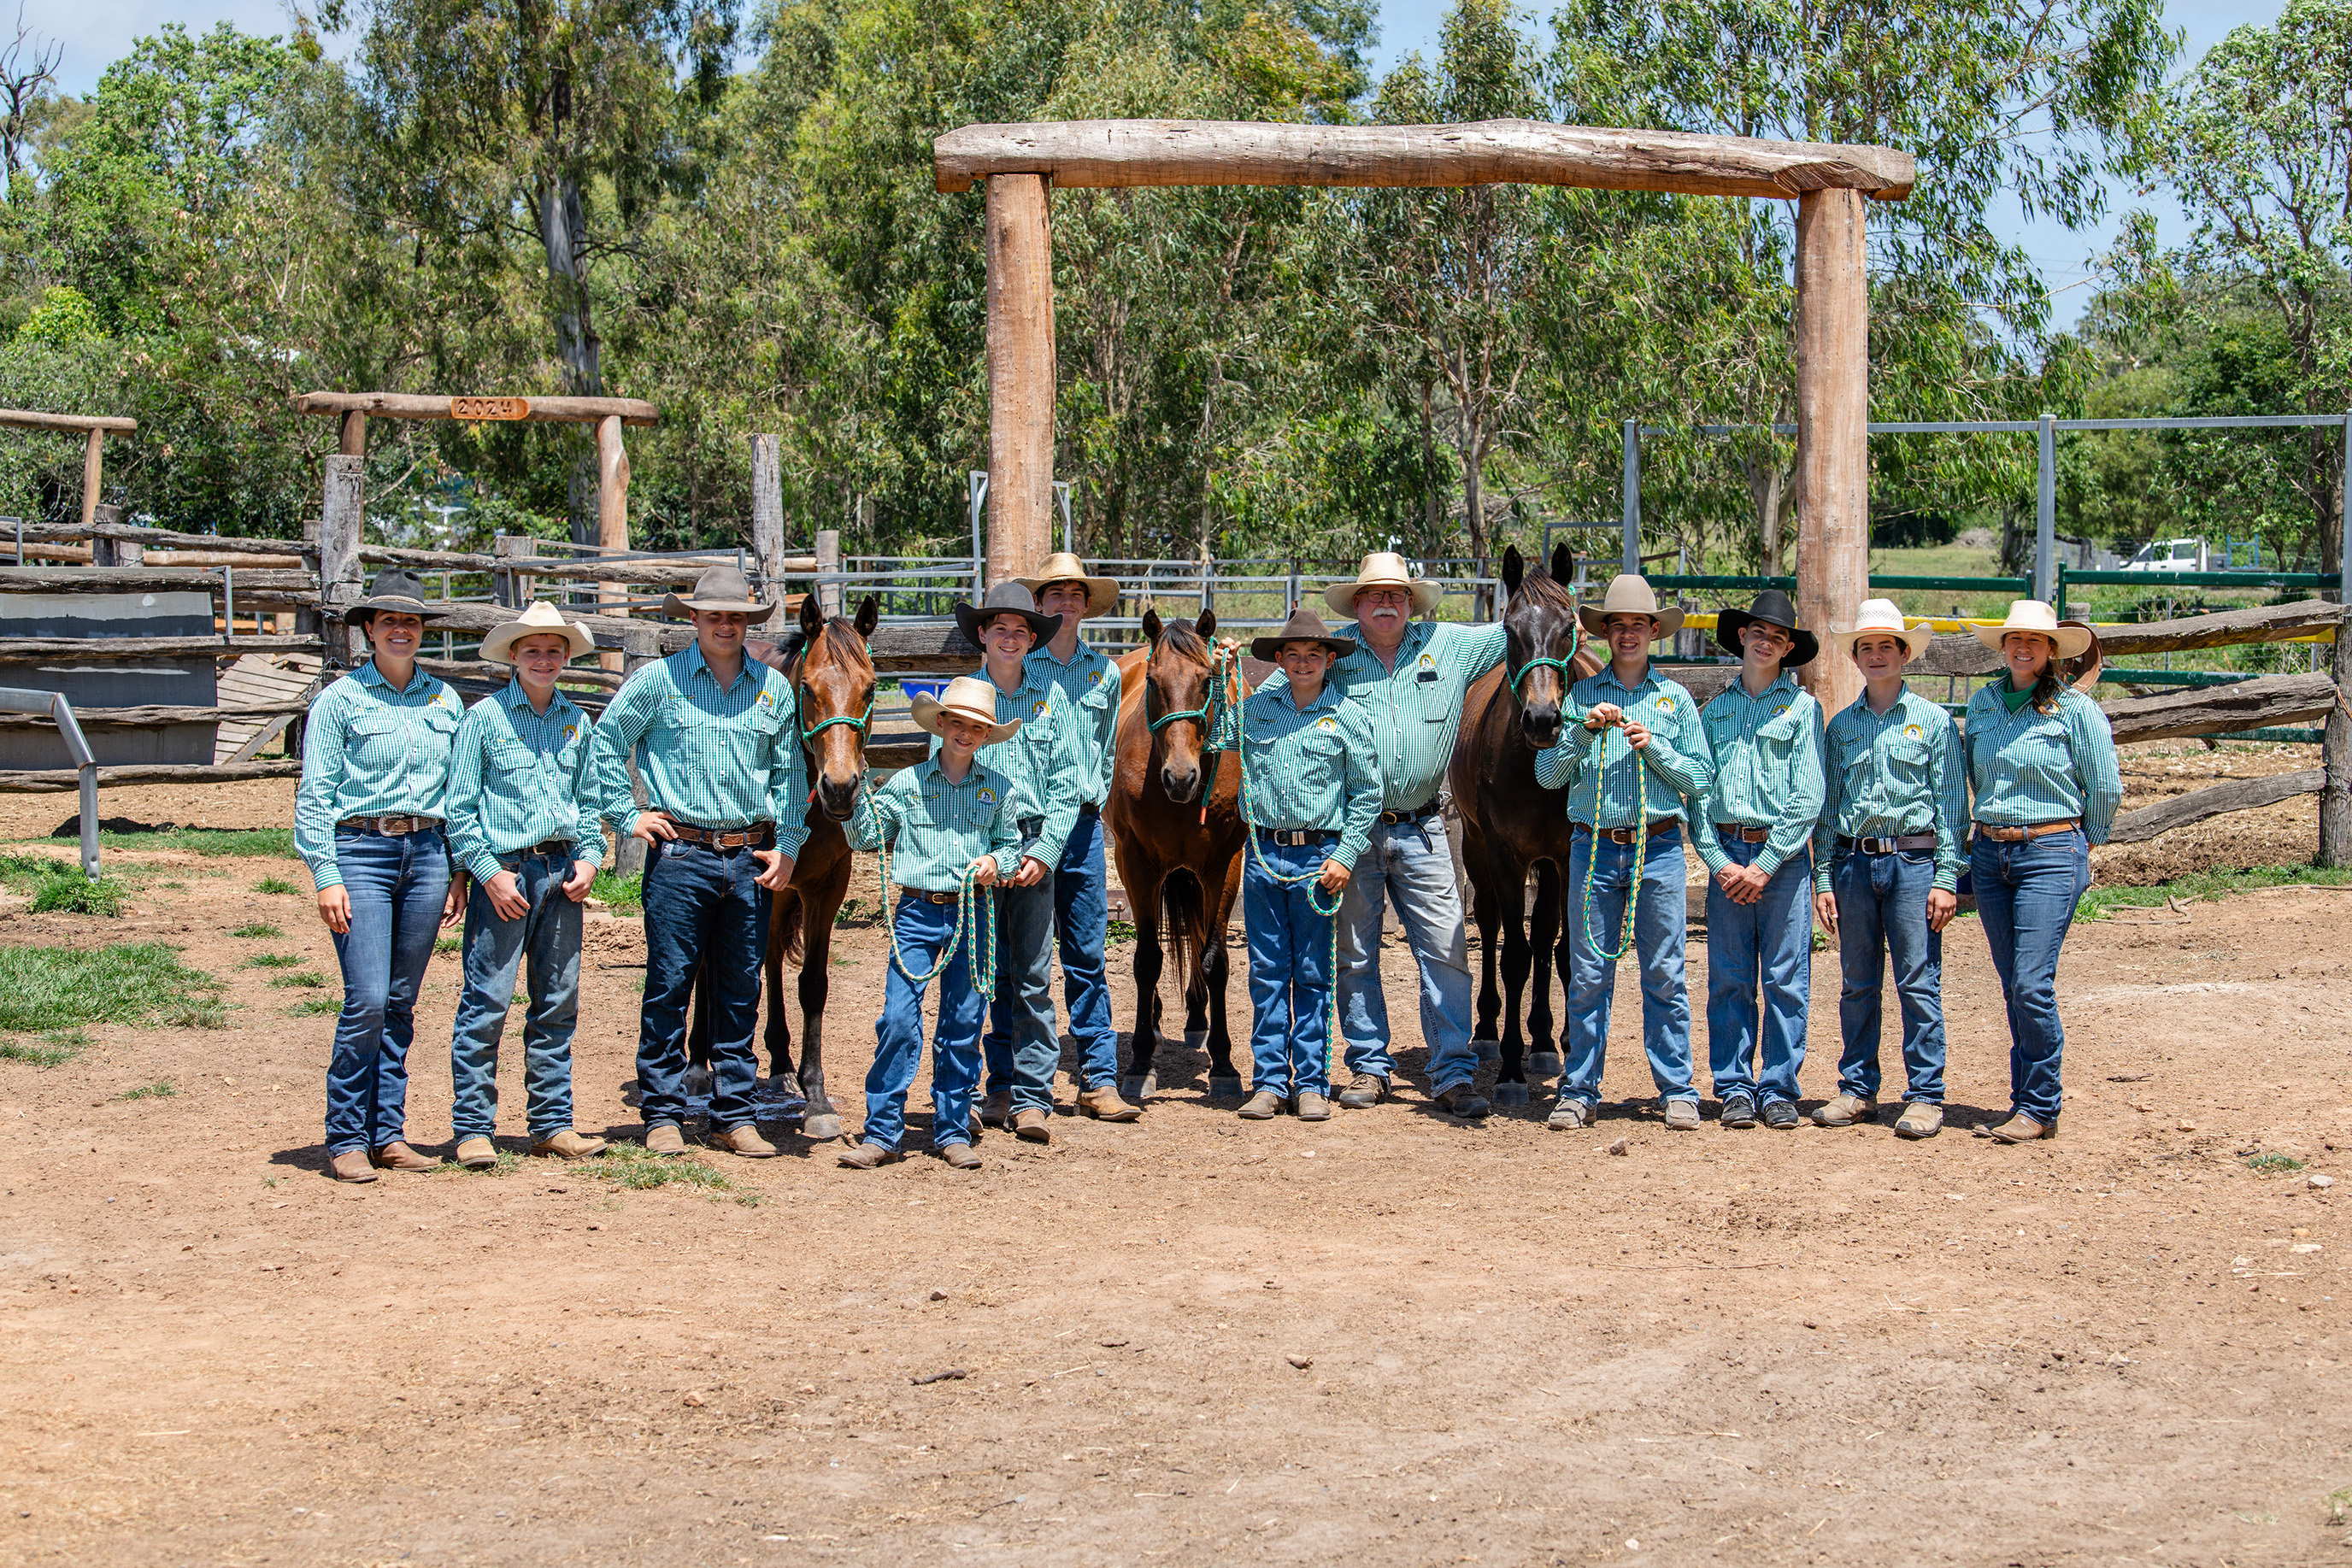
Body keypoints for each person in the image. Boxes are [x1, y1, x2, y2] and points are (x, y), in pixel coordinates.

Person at [591, 566, 807, 1160]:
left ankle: (733, 1114)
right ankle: (663, 1112)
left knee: (740, 989)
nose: (726, 625)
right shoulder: (658, 682)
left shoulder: (772, 689)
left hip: (749, 855)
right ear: (693, 619)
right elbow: (604, 741)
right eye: (714, 615)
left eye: (736, 616)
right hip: (681, 854)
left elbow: (791, 773)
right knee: (670, 983)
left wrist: (789, 845)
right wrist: (626, 813)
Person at [294, 571, 465, 1183]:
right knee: (366, 996)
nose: (401, 630)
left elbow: (459, 792)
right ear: (368, 629)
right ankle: (346, 1135)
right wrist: (325, 873)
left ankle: (386, 1132)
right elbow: (315, 793)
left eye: (411, 621)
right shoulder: (339, 700)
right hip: (360, 850)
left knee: (400, 1000)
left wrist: (458, 870)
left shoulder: (444, 701)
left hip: (428, 852)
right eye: (389, 620)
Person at [1322, 552, 1503, 1119]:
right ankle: (1369, 1065)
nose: (1386, 603)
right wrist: (1225, 664)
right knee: (1355, 951)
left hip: (1423, 824)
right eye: (1375, 595)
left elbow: (1524, 631)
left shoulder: (1450, 645)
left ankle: (1453, 1070)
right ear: (1357, 603)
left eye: (1397, 595)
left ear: (1411, 602)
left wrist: (1568, 615)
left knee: (1447, 947)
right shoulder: (1332, 651)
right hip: (1354, 830)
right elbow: (1279, 688)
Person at [1534, 574, 1715, 1132]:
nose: (1629, 634)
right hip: (1593, 846)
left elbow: (1701, 778)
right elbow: (1547, 776)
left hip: (1657, 848)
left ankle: (1677, 1088)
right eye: (1619, 625)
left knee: (1665, 972)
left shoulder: (1675, 700)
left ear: (1654, 631)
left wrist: (1654, 748)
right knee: (1589, 973)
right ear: (1606, 633)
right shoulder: (1579, 698)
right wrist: (1582, 735)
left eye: (1639, 625)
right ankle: (1579, 1089)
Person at [442, 601, 610, 1168]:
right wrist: (487, 873)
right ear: (513, 656)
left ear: (566, 657)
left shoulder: (576, 722)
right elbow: (460, 808)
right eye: (533, 650)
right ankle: (472, 1127)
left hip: (560, 871)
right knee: (487, 999)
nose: (544, 659)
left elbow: (589, 800)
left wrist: (590, 858)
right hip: (507, 872)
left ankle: (552, 1123)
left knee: (557, 1001)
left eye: (554, 650)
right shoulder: (484, 720)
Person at [839, 677, 1024, 1171]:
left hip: (973, 911)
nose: (966, 733)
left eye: (977, 728)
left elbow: (1011, 846)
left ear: (987, 735)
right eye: (958, 723)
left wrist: (997, 863)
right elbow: (864, 838)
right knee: (898, 1019)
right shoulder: (905, 784)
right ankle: (882, 1132)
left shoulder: (998, 789)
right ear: (941, 724)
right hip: (917, 912)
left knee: (963, 1022)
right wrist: (853, 791)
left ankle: (953, 1127)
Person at [953, 582, 1112, 1143]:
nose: (1010, 638)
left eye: (1021, 631)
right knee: (988, 973)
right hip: (979, 850)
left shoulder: (1051, 699)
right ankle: (997, 1083)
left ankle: (1032, 1095)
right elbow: (942, 776)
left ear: (1031, 638)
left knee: (1032, 974)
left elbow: (1068, 783)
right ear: (982, 634)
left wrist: (1044, 851)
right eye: (1000, 629)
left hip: (1033, 842)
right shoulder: (965, 699)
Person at [1963, 600, 2121, 1142]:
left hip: (2050, 848)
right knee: (2015, 982)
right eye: (2015, 639)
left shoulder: (2075, 710)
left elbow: (2104, 786)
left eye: (2035, 640)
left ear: (2051, 650)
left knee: (2031, 982)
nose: (2023, 648)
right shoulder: (1984, 704)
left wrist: (2082, 841)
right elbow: (1972, 771)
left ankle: (2039, 1104)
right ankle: (2026, 1100)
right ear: (2004, 647)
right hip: (1992, 852)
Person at [1810, 600, 1967, 1140]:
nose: (1876, 656)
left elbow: (1952, 806)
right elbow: (1829, 808)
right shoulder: (1840, 729)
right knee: (1857, 982)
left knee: (1917, 979)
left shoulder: (1934, 723)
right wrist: (1824, 878)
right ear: (1855, 658)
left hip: (1913, 861)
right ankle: (1858, 1088)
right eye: (1866, 648)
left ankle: (1925, 1094)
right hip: (1854, 861)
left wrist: (1947, 877)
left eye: (1886, 646)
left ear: (1904, 654)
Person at [1223, 605, 1381, 1123]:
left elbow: (1367, 793)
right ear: (1280, 660)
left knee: (1313, 970)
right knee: (1267, 970)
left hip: (1319, 855)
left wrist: (1345, 855)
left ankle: (1311, 1081)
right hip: (1264, 852)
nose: (1303, 662)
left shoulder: (1348, 715)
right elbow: (1218, 737)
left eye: (1314, 654)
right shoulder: (1256, 710)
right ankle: (1270, 1080)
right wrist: (1221, 676)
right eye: (1293, 654)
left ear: (1330, 659)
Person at [1013, 553, 1138, 1123]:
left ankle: (1098, 1078)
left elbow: (1106, 747)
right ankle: (1022, 1083)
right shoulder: (1021, 666)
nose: (1066, 602)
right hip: (1028, 824)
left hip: (1083, 826)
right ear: (1040, 604)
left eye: (1075, 594)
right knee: (1025, 958)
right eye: (1055, 593)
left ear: (1087, 605)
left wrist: (1097, 805)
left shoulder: (1104, 674)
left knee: (1087, 953)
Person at [1693, 589, 1824, 1130]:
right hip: (1728, 855)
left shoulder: (1803, 710)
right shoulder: (1714, 711)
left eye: (1778, 637)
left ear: (1788, 648)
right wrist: (1718, 860)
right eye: (1759, 633)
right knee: (1729, 975)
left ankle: (1778, 1085)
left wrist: (1765, 863)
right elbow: (1698, 792)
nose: (1766, 642)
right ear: (1742, 637)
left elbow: (1809, 794)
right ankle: (1733, 1086)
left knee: (1785, 976)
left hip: (1782, 858)